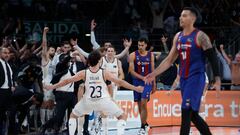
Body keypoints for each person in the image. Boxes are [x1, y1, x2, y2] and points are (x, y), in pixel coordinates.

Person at [145, 7, 221, 135]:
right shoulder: (178, 37)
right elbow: (169, 60)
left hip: (196, 78)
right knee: (193, 115)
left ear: (193, 19)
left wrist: (217, 78)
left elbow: (212, 57)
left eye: (184, 15)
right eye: (180, 15)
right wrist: (154, 74)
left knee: (185, 111)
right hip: (184, 80)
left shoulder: (200, 36)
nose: (181, 18)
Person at [44, 50, 143, 135]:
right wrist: (135, 88)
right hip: (103, 101)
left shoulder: (84, 73)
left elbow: (66, 81)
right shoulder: (104, 72)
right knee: (122, 116)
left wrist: (52, 86)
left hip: (88, 101)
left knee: (73, 116)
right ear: (99, 60)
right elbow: (120, 81)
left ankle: (74, 133)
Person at [128, 37, 155, 135]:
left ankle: (142, 127)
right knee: (140, 105)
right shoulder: (133, 55)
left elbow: (152, 70)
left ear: (146, 45)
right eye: (139, 45)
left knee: (144, 102)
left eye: (142, 45)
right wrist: (141, 77)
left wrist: (154, 84)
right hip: (137, 82)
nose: (140, 47)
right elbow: (131, 71)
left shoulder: (150, 55)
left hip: (147, 82)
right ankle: (145, 123)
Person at [0, 47, 14, 135]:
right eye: (5, 53)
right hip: (1, 91)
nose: (7, 55)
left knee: (8, 114)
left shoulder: (7, 64)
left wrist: (12, 85)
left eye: (8, 53)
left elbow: (10, 77)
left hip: (8, 91)